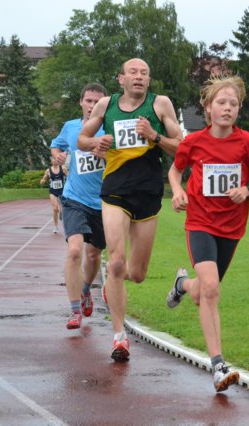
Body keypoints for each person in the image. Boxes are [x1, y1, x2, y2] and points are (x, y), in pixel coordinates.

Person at [165, 75, 249, 392]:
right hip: (200, 222)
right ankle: (218, 366)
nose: (228, 108)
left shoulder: (248, 143)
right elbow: (175, 170)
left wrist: (248, 189)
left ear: (238, 109)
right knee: (212, 289)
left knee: (202, 293)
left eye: (234, 104)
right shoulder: (194, 142)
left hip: (232, 227)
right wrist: (177, 191)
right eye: (221, 102)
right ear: (208, 108)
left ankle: (182, 284)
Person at [78, 58, 183, 361]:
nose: (139, 77)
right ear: (121, 78)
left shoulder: (160, 104)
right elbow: (82, 139)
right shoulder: (106, 105)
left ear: (149, 80)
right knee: (116, 262)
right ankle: (119, 337)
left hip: (148, 192)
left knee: (136, 274)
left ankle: (112, 283)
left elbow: (182, 146)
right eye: (133, 73)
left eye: (144, 73)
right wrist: (95, 144)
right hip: (115, 190)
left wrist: (154, 136)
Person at [50, 83, 108, 330]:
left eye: (97, 102)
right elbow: (56, 145)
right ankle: (74, 310)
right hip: (74, 198)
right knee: (74, 251)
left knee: (94, 255)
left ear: (104, 104)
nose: (92, 106)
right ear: (81, 102)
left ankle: (85, 290)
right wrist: (58, 154)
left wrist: (106, 154)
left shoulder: (110, 128)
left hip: (104, 202)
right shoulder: (70, 127)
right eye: (88, 101)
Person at [39, 156, 67, 234]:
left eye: (55, 159)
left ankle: (61, 212)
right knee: (55, 209)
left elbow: (69, 177)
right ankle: (56, 227)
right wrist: (42, 181)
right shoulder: (48, 170)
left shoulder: (63, 168)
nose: (54, 161)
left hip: (62, 191)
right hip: (53, 191)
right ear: (51, 161)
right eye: (53, 159)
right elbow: (44, 179)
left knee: (65, 209)